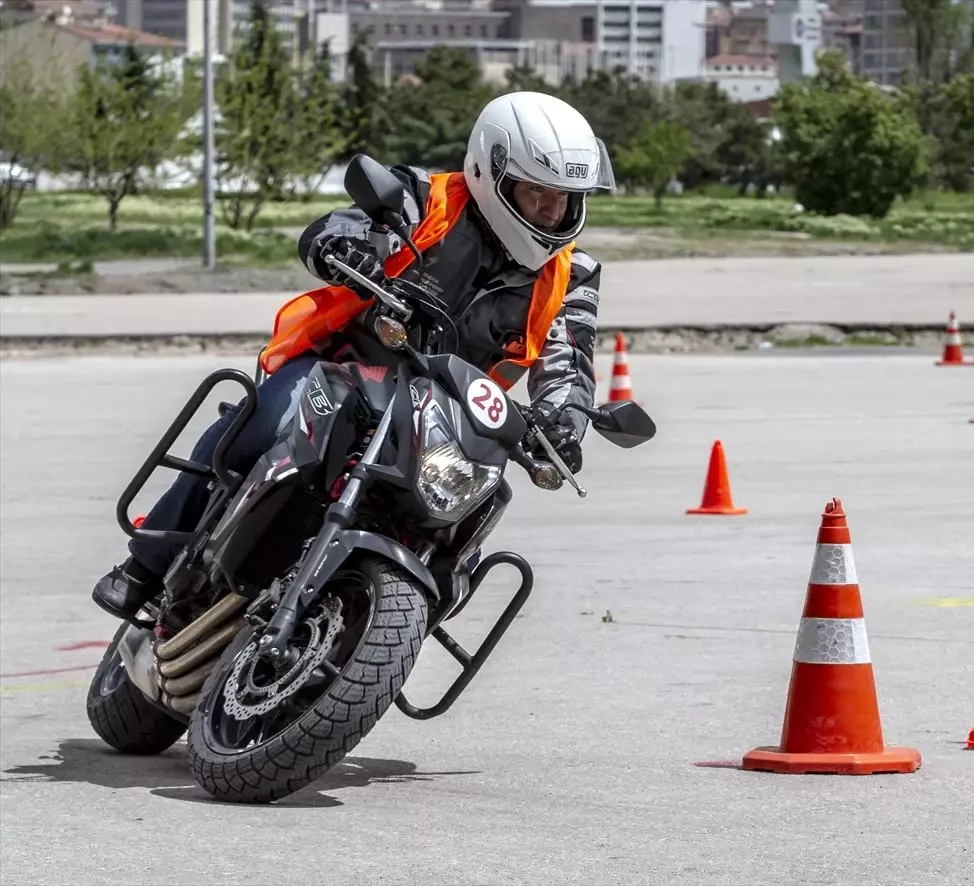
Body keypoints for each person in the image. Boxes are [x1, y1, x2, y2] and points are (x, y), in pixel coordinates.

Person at [92, 91, 615, 620]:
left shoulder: (574, 274)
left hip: (448, 420)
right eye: (537, 194)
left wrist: (564, 424)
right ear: (491, 173)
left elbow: (570, 360)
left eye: (565, 198)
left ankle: (385, 631)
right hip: (345, 367)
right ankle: (147, 565)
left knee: (463, 529)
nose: (552, 213)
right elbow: (340, 225)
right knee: (265, 420)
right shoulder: (421, 197)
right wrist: (343, 246)